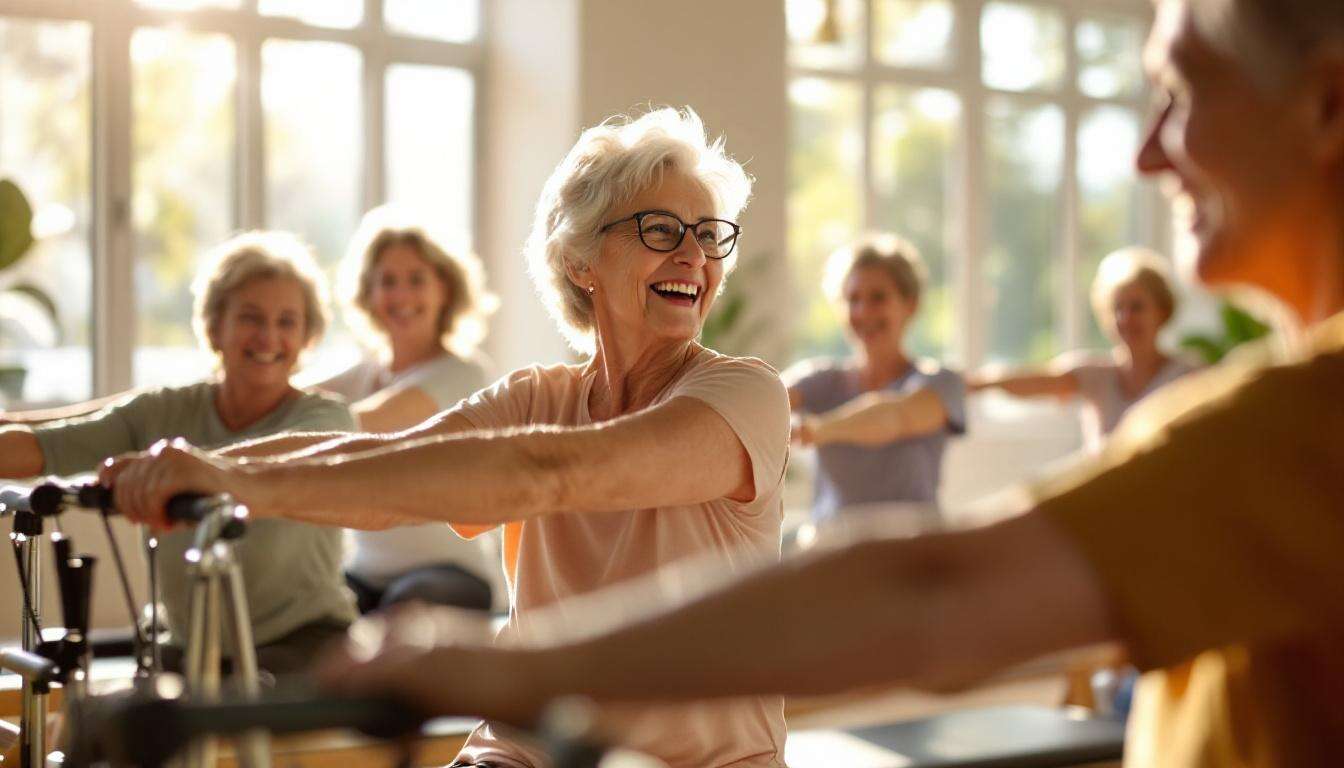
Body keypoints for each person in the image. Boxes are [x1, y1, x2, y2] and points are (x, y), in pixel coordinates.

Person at [304, 1, 1343, 765]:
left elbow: (936, 590)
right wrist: (231, 470)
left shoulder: (1299, 426)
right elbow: (410, 462)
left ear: (1328, 103)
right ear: (585, 262)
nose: (1151, 152)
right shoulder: (1264, 415)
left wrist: (514, 670)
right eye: (659, 232)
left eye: (1184, 90)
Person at [104, 108, 792, 768]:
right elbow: (387, 467)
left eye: (707, 234)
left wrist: (235, 482)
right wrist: (194, 468)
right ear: (582, 261)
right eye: (662, 230)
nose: (694, 257)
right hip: (524, 753)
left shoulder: (745, 394)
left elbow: (553, 472)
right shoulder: (538, 397)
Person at [0, 231, 357, 674]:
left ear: (307, 336)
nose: (268, 336)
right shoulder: (164, 410)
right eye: (250, 317)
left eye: (287, 321)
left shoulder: (327, 418)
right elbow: (46, 444)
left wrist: (194, 470)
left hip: (302, 641)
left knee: (221, 717)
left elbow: (290, 459)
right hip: (188, 644)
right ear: (214, 326)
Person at [315, 206, 501, 614]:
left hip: (453, 574)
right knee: (306, 605)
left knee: (402, 612)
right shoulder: (363, 373)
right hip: (365, 574)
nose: (401, 295)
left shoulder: (465, 373)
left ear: (445, 290)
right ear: (370, 294)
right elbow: (293, 404)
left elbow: (360, 421)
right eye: (388, 281)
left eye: (416, 280)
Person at [785, 235, 965, 521]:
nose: (863, 311)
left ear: (911, 304)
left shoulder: (941, 382)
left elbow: (894, 417)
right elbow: (767, 397)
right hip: (831, 549)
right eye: (852, 299)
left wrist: (816, 430)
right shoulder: (821, 379)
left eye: (878, 298)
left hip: (913, 550)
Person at [969, 247, 1199, 453]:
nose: (1126, 318)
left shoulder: (1188, 375)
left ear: (1162, 310)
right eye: (1118, 308)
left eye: (1137, 307)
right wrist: (975, 384)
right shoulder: (1096, 374)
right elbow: (1037, 381)